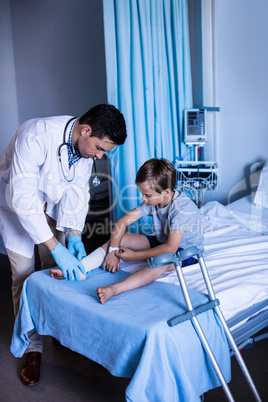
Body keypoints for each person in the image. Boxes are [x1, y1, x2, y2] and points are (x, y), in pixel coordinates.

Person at [0, 104, 127, 386]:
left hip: (49, 202)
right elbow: (22, 200)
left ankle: (56, 328)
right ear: (86, 130)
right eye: (100, 148)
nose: (100, 155)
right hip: (15, 203)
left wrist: (73, 236)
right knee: (24, 274)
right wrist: (55, 246)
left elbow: (78, 192)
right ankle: (32, 349)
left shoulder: (84, 149)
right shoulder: (35, 135)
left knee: (53, 268)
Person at [50, 158, 204, 305]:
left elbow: (170, 249)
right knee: (122, 238)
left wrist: (134, 256)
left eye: (147, 195)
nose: (143, 198)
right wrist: (112, 251)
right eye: (142, 194)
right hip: (163, 241)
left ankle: (115, 289)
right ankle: (80, 269)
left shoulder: (182, 209)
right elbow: (122, 222)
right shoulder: (154, 201)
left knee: (162, 261)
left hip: (186, 251)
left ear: (166, 191)